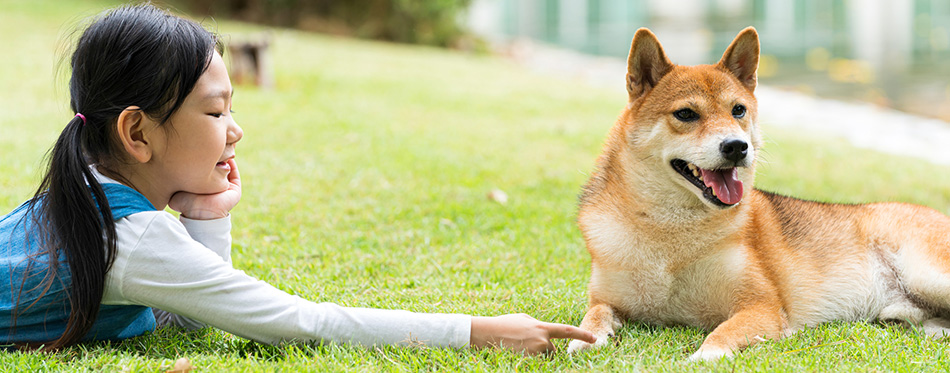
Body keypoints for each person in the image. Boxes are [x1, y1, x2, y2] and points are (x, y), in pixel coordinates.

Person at [0, 4, 595, 353]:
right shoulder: (134, 238)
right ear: (137, 133)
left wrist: (208, 215)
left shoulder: (85, 193)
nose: (236, 131)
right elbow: (298, 322)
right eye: (215, 112)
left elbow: (185, 305)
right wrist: (479, 330)